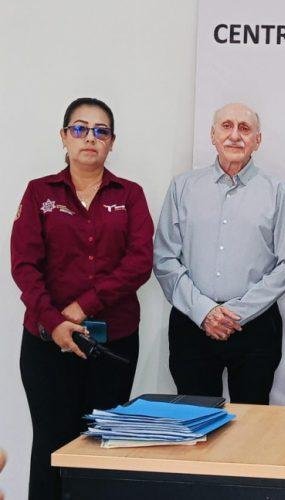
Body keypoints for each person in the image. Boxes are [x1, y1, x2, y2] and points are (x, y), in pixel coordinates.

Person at [12, 97, 154, 499]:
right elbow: (24, 266)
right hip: (46, 343)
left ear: (112, 142)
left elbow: (139, 263)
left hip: (112, 342)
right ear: (64, 136)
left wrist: (80, 308)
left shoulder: (130, 195)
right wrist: (54, 321)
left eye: (100, 131)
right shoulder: (40, 193)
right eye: (79, 128)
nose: (90, 137)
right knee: (52, 444)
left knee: (100, 445)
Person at [154, 103, 285, 404]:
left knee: (253, 420)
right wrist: (205, 311)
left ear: (258, 140)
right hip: (192, 322)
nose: (235, 136)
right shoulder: (183, 187)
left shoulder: (278, 192)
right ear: (212, 135)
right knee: (194, 418)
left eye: (244, 129)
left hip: (256, 326)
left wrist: (237, 313)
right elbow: (165, 258)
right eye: (226, 126)